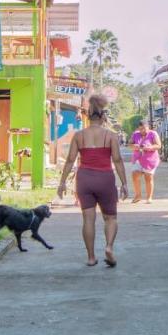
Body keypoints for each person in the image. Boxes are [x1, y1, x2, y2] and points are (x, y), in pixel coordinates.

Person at [58, 94, 129, 267]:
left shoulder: (79, 135)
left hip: (84, 179)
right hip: (105, 178)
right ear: (103, 116)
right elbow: (118, 160)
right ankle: (109, 247)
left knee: (88, 219)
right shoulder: (111, 136)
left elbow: (70, 160)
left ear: (88, 116)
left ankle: (91, 257)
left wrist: (62, 182)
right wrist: (124, 183)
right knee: (110, 218)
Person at [129, 119, 161, 203]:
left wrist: (150, 147)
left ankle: (149, 197)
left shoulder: (153, 134)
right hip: (138, 158)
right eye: (140, 129)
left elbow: (159, 145)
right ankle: (138, 195)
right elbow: (129, 144)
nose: (142, 130)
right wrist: (133, 146)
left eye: (144, 128)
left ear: (148, 127)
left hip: (150, 159)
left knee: (148, 177)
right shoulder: (135, 134)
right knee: (134, 174)